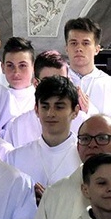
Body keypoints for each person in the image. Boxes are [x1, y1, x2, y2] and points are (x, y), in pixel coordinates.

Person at [8, 76, 81, 204]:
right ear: (36, 110)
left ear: (75, 111)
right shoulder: (16, 157)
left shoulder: (83, 157)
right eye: (45, 107)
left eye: (59, 107)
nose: (50, 114)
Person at [64, 17, 111, 135]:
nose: (79, 48)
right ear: (66, 48)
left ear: (97, 49)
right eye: (73, 43)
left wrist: (92, 112)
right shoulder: (56, 83)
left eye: (86, 43)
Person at [4, 50, 92, 148]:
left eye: (61, 80)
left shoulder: (83, 123)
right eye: (48, 82)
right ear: (36, 84)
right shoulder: (17, 127)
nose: (54, 89)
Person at [2, 37, 36, 112]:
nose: (16, 72)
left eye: (22, 65)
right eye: (10, 65)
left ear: (33, 67)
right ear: (3, 67)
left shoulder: (40, 99)